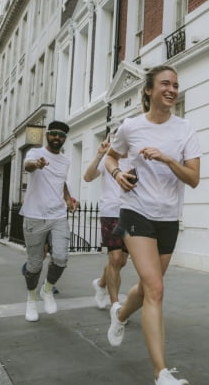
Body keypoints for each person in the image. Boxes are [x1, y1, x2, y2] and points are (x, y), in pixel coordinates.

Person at [105, 65, 201, 385]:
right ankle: (161, 373)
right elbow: (111, 157)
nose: (172, 89)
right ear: (148, 90)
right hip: (135, 213)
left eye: (175, 84)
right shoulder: (131, 127)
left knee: (148, 287)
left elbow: (194, 179)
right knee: (156, 289)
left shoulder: (185, 129)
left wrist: (167, 160)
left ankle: (119, 314)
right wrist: (118, 174)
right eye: (165, 84)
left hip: (168, 218)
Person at [20, 120, 78, 322]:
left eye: (61, 136)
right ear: (47, 135)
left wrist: (68, 199)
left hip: (58, 215)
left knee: (61, 257)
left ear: (64, 139)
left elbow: (61, 182)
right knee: (34, 265)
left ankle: (47, 289)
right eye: (53, 134)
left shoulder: (66, 160)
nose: (57, 138)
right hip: (34, 215)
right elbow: (28, 166)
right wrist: (37, 164)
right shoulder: (35, 154)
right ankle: (31, 298)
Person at [83, 133, 129, 310]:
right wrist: (99, 154)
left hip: (130, 214)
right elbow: (87, 177)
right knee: (115, 258)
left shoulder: (134, 158)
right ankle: (115, 305)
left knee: (121, 261)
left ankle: (101, 283)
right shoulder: (109, 158)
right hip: (110, 212)